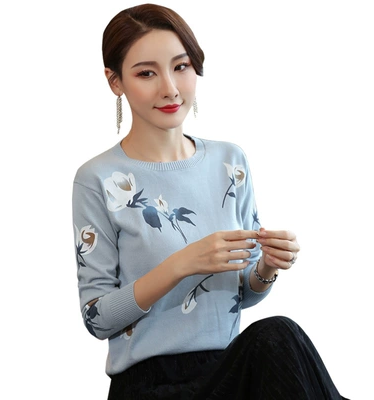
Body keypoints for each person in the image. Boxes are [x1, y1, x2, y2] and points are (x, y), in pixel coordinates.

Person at [72, 4, 348, 399]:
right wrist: (180, 265)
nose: (170, 88)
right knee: (278, 336)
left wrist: (267, 267)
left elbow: (243, 293)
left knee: (278, 336)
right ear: (115, 81)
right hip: (151, 385)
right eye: (147, 73)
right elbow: (96, 318)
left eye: (181, 67)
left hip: (229, 369)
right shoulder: (96, 179)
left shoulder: (229, 162)